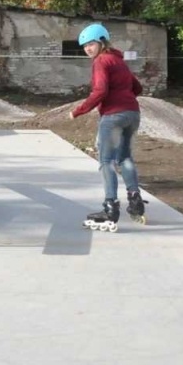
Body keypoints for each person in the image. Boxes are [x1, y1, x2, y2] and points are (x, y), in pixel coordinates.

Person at [71, 23, 146, 230]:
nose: (88, 49)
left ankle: (110, 207)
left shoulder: (101, 61)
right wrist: (124, 98)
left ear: (101, 42)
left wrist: (78, 110)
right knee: (126, 158)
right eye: (84, 46)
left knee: (106, 161)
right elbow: (137, 87)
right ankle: (135, 198)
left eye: (91, 44)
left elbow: (100, 91)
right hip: (133, 114)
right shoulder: (119, 61)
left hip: (113, 117)